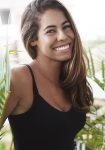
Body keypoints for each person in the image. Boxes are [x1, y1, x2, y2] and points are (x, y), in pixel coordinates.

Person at [1, 0, 94, 149]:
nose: (63, 36)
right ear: (33, 40)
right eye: (51, 30)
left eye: (66, 27)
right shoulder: (19, 78)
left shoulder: (70, 79)